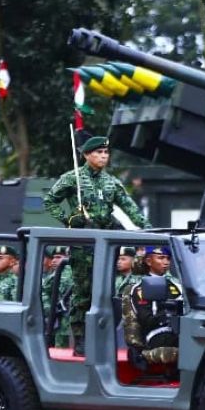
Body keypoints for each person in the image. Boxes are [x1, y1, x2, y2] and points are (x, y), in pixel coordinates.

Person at [44, 135, 150, 355]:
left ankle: (101, 337)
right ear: (86, 155)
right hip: (83, 242)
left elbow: (130, 208)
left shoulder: (111, 182)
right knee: (83, 292)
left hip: (107, 243)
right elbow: (50, 201)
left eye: (106, 153)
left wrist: (148, 228)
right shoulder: (73, 178)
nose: (103, 157)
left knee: (104, 292)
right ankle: (81, 339)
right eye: (98, 153)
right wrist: (69, 219)